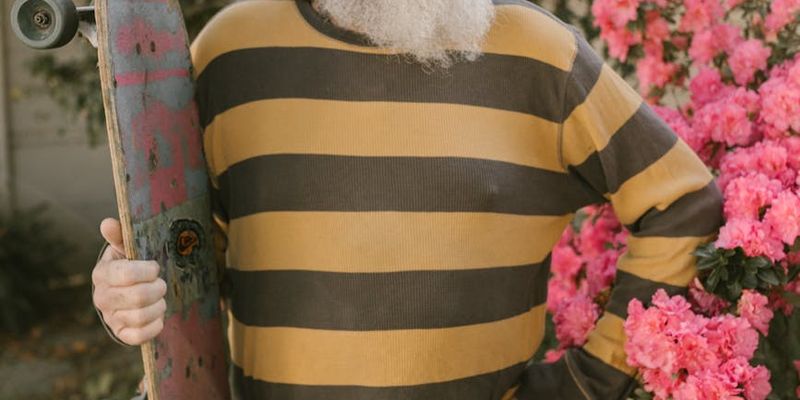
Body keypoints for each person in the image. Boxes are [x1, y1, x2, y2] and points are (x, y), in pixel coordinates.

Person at [91, 0, 724, 398]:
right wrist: (125, 291)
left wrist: (591, 381)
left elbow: (684, 201)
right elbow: (189, 253)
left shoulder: (544, 57)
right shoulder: (230, 52)